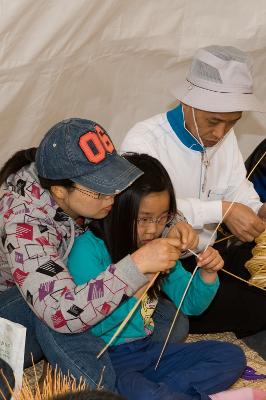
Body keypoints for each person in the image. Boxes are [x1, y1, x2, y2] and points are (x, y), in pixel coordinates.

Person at [0, 118, 191, 390]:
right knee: (86, 362)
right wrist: (134, 266)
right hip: (22, 308)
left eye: (112, 183)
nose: (112, 197)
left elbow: (138, 197)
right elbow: (59, 312)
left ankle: (85, 360)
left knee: (172, 324)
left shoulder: (83, 185)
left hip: (76, 289)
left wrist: (174, 222)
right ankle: (93, 382)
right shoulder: (23, 223)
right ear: (59, 191)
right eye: (100, 191)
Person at [67, 153, 266, 400]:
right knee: (125, 387)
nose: (153, 229)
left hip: (149, 350)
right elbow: (90, 325)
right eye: (144, 219)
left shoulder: (157, 244)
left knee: (230, 356)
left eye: (162, 219)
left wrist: (206, 274)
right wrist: (137, 278)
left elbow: (191, 305)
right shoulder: (88, 251)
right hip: (108, 357)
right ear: (116, 209)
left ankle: (163, 393)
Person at [120, 45, 266, 352]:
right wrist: (222, 210)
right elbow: (144, 214)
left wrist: (258, 210)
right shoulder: (144, 141)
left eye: (232, 123)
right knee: (254, 303)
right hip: (164, 268)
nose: (221, 132)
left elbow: (237, 189)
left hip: (207, 258)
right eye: (214, 121)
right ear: (188, 102)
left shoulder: (223, 139)